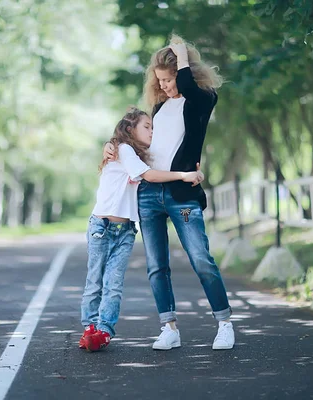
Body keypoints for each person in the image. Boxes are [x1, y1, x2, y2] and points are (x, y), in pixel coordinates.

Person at [103, 35, 234, 350]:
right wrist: (112, 145)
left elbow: (188, 86)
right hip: (149, 197)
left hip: (184, 201)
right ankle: (169, 328)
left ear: (185, 73)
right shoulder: (159, 107)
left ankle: (225, 323)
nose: (163, 85)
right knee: (156, 265)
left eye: (169, 79)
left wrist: (181, 54)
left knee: (200, 256)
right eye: (159, 80)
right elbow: (134, 137)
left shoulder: (202, 98)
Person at [80, 107, 204, 352]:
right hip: (102, 227)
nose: (151, 132)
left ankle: (104, 331)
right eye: (147, 126)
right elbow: (150, 176)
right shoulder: (123, 150)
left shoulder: (135, 155)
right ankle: (89, 328)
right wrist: (184, 174)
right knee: (95, 281)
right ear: (130, 129)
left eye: (153, 127)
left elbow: (153, 167)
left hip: (125, 231)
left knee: (114, 284)